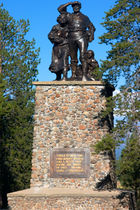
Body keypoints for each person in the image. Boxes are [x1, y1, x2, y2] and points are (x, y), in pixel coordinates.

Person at [58, 1, 96, 81]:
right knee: (73, 58)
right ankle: (73, 75)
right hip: (71, 36)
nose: (76, 7)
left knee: (83, 56)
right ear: (72, 7)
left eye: (77, 6)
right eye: (74, 6)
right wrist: (69, 3)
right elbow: (60, 9)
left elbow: (92, 27)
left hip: (82, 36)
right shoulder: (69, 15)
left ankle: (84, 76)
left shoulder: (85, 17)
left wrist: (91, 36)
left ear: (80, 7)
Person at [48, 14, 69, 80]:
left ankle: (65, 76)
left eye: (64, 18)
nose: (62, 20)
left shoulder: (69, 27)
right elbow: (50, 35)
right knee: (56, 61)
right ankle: (58, 76)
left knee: (64, 60)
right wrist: (58, 39)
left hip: (66, 45)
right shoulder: (55, 27)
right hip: (57, 46)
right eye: (61, 18)